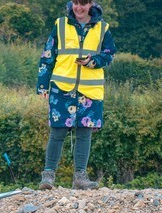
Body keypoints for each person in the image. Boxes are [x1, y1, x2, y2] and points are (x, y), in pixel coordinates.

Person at [36, 0, 116, 190]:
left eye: (84, 4)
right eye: (76, 3)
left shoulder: (103, 28)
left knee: (84, 134)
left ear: (91, 4)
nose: (79, 8)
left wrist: (93, 61)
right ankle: (48, 177)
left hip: (90, 90)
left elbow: (109, 55)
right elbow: (47, 56)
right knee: (57, 133)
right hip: (62, 88)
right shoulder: (60, 25)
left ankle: (80, 177)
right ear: (71, 4)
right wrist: (42, 85)